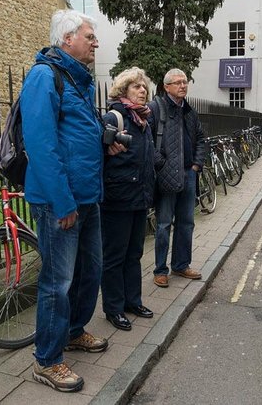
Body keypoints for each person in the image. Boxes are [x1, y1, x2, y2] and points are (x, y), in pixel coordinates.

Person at [20, 9, 110, 393]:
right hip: (61, 202)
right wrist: (62, 202)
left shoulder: (81, 82)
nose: (95, 42)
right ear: (67, 38)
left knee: (91, 271)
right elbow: (41, 146)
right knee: (58, 282)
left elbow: (77, 136)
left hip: (87, 198)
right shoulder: (44, 77)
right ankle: (47, 359)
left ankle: (73, 332)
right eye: (89, 36)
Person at [100, 67, 156, 331]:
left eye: (144, 87)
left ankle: (132, 301)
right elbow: (101, 155)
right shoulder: (114, 117)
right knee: (115, 256)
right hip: (117, 198)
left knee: (135, 253)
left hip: (139, 196)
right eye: (136, 87)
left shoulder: (143, 120)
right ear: (124, 91)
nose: (142, 91)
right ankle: (113, 308)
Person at [148, 69, 206, 288]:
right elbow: (148, 141)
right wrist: (161, 164)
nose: (183, 85)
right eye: (178, 82)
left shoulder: (189, 111)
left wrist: (196, 165)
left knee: (186, 223)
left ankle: (181, 265)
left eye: (185, 82)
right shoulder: (156, 108)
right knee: (163, 224)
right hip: (166, 176)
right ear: (167, 87)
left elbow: (201, 138)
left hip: (188, 174)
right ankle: (160, 270)